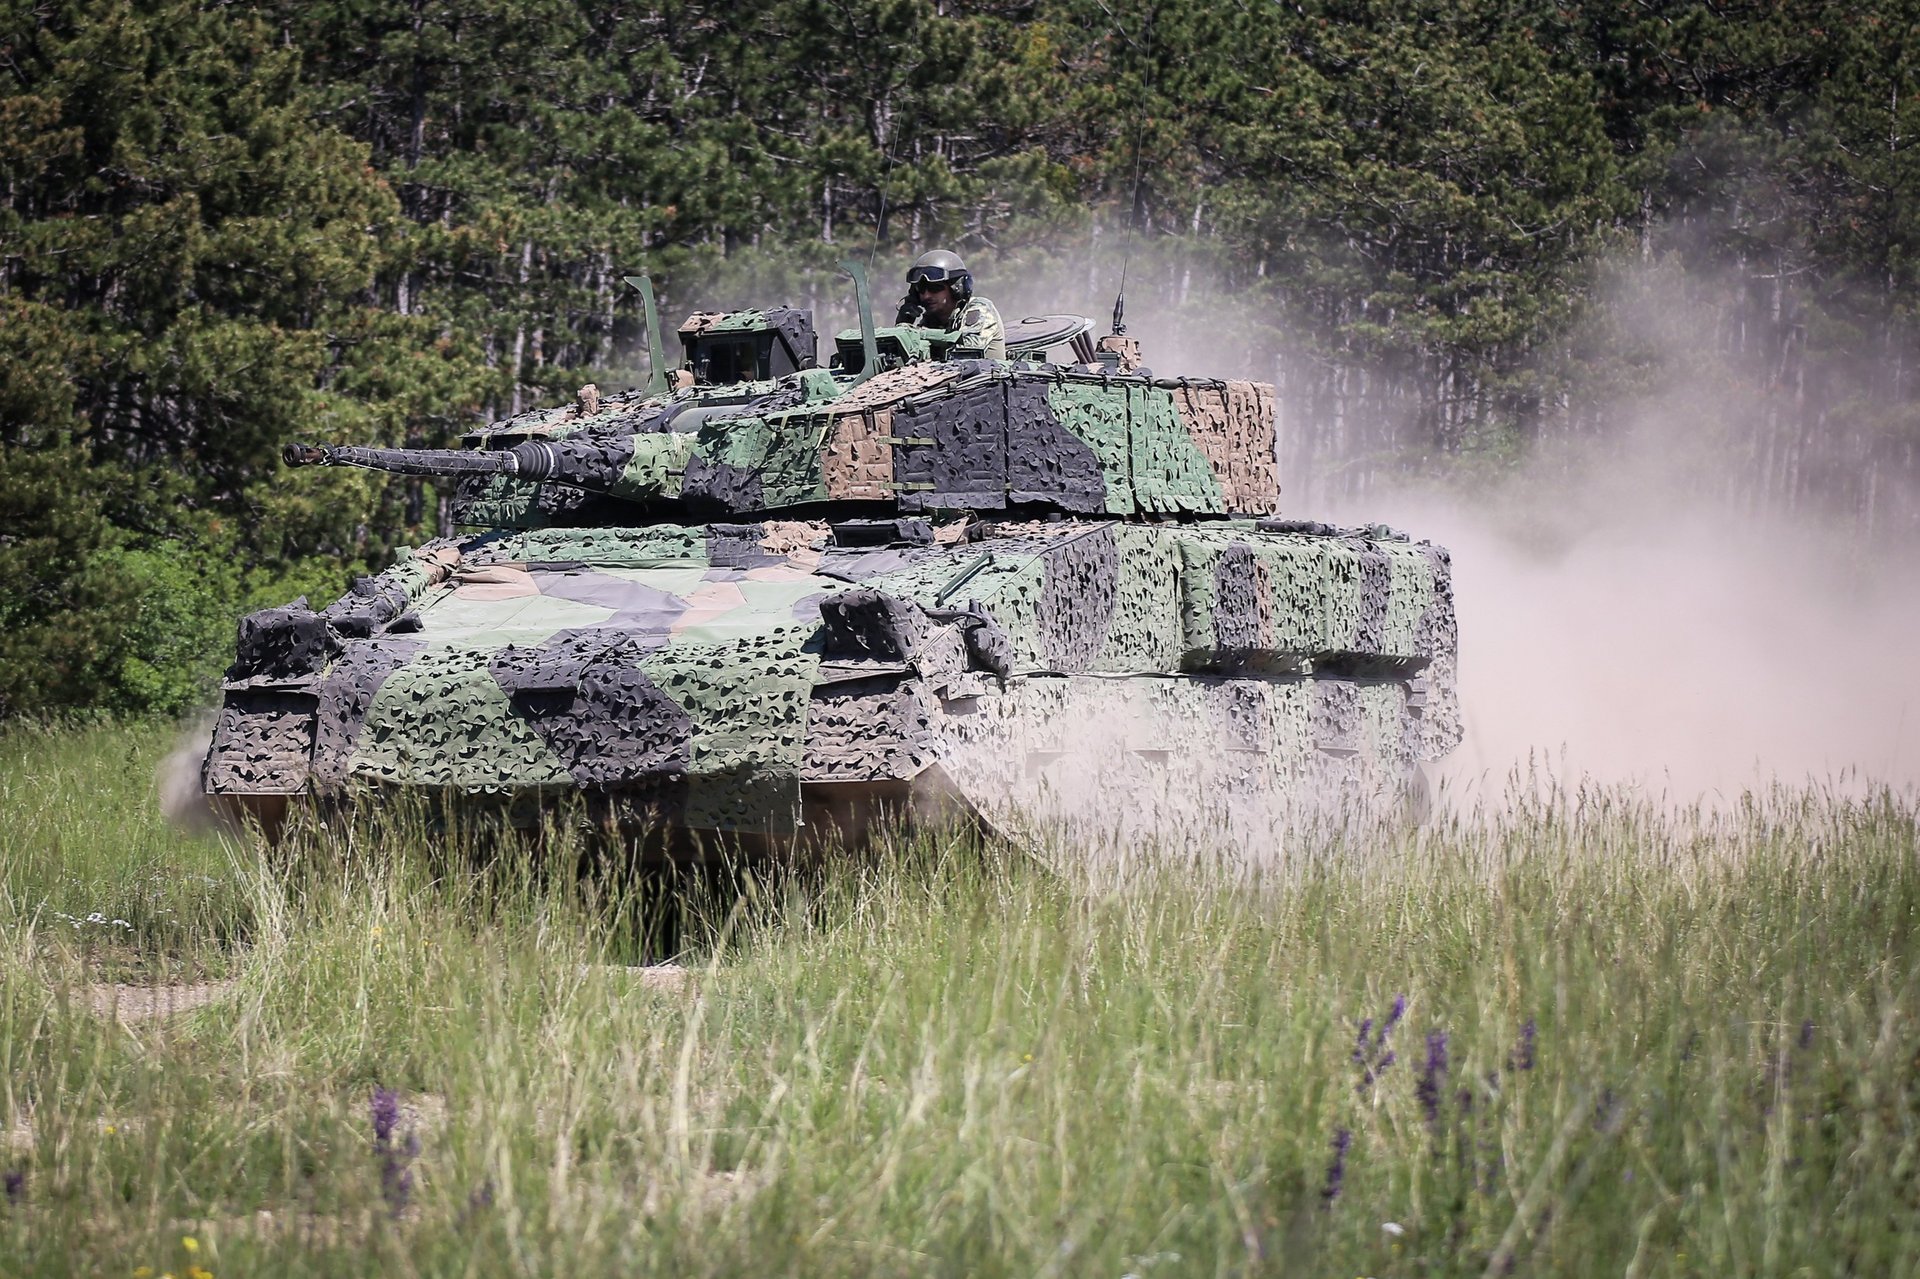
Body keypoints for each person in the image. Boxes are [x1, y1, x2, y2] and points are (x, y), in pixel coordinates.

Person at [893, 249, 1005, 359]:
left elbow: (969, 345)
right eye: (921, 289)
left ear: (956, 289)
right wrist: (902, 327)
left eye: (935, 288)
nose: (926, 296)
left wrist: (915, 333)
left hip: (985, 375)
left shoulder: (979, 309)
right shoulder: (932, 321)